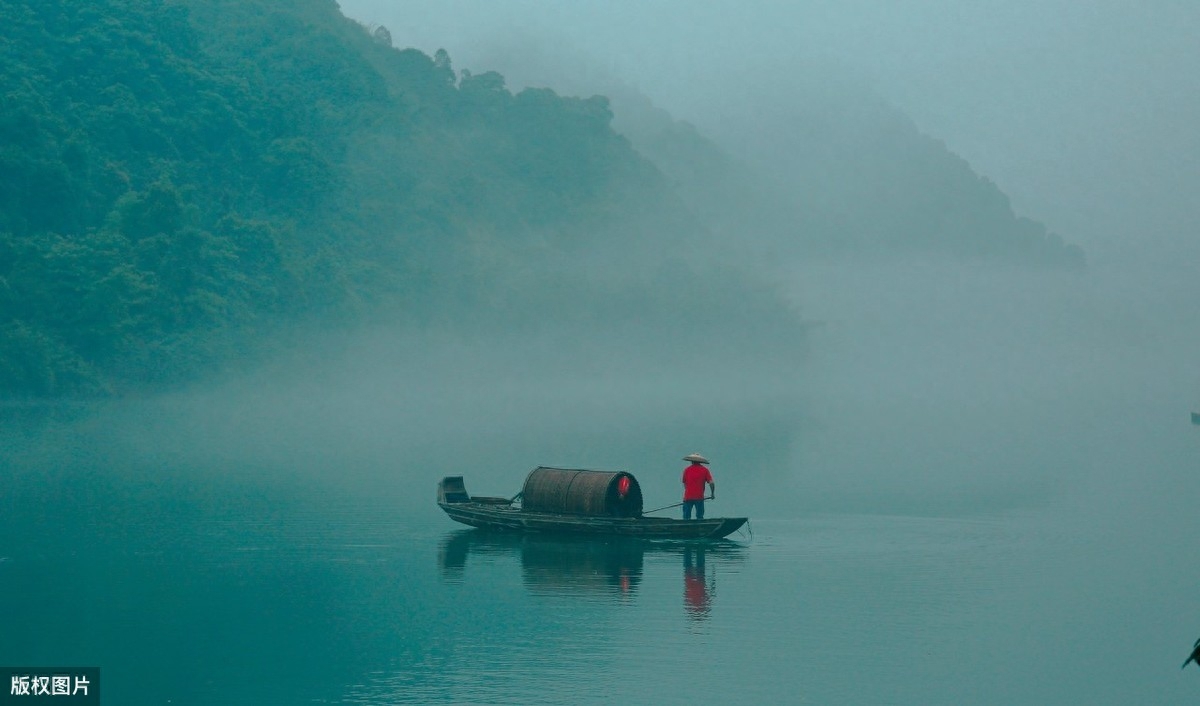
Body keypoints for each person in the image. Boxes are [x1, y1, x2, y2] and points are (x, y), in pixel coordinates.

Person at [680, 453, 715, 520]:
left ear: (692, 461)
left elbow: (684, 483)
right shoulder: (705, 470)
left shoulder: (687, 470)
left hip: (688, 497)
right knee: (699, 516)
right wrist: (712, 493)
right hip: (699, 497)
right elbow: (711, 483)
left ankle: (686, 528)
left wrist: (689, 491)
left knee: (686, 517)